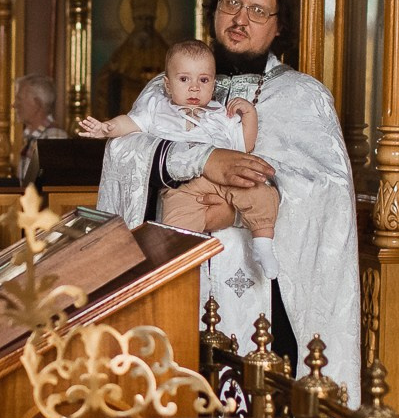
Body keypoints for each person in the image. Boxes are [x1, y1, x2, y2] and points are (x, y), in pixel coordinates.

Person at [96, 0, 360, 396]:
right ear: (214, 9)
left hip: (266, 305)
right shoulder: (169, 85)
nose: (240, 19)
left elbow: (327, 196)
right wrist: (202, 160)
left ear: (279, 26)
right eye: (231, 4)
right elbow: (122, 155)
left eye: (258, 11)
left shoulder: (302, 97)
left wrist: (238, 211)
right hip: (174, 287)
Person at [80, 39, 280, 279]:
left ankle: (263, 245)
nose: (194, 88)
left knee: (261, 193)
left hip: (224, 182)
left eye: (203, 80)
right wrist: (106, 128)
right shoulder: (158, 109)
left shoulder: (220, 115)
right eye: (184, 80)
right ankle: (177, 270)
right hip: (184, 188)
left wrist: (250, 116)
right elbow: (131, 123)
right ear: (167, 84)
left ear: (213, 84)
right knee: (176, 226)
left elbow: (244, 147)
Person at [12, 73, 69, 181]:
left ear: (37, 103)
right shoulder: (31, 138)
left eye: (19, 99)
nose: (14, 105)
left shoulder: (55, 138)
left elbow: (55, 185)